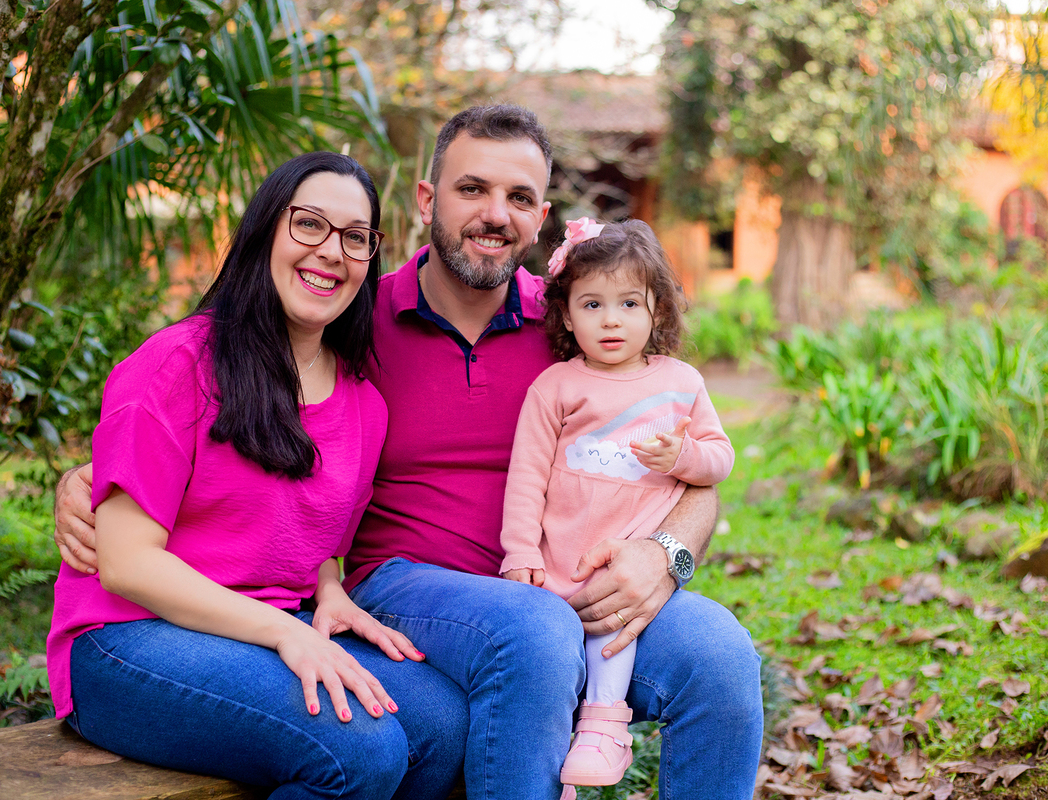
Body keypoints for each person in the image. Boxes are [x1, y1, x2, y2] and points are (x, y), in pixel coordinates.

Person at [55, 106, 764, 800]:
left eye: (518, 197)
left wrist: (665, 554)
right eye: (471, 188)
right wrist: (89, 478)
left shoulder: (577, 319)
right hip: (413, 590)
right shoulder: (354, 322)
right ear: (427, 199)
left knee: (719, 655)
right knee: (508, 648)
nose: (495, 213)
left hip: (561, 574)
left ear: (541, 215)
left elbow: (692, 461)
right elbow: (225, 403)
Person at [46, 152, 468, 800]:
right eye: (309, 225)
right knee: (362, 749)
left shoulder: (363, 405)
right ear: (265, 230)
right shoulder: (177, 364)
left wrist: (328, 593)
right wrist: (284, 632)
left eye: (355, 237)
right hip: (125, 638)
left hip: (271, 625)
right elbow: (127, 564)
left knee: (442, 724)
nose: (332, 251)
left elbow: (319, 542)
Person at [499, 217, 735, 791]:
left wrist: (681, 456)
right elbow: (526, 476)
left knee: (615, 630)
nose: (611, 319)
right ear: (565, 314)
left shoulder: (681, 384)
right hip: (561, 559)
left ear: (657, 308)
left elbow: (719, 460)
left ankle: (605, 727)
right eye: (592, 304)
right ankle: (557, 763)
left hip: (628, 560)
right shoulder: (555, 386)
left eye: (630, 303)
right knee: (547, 652)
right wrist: (519, 553)